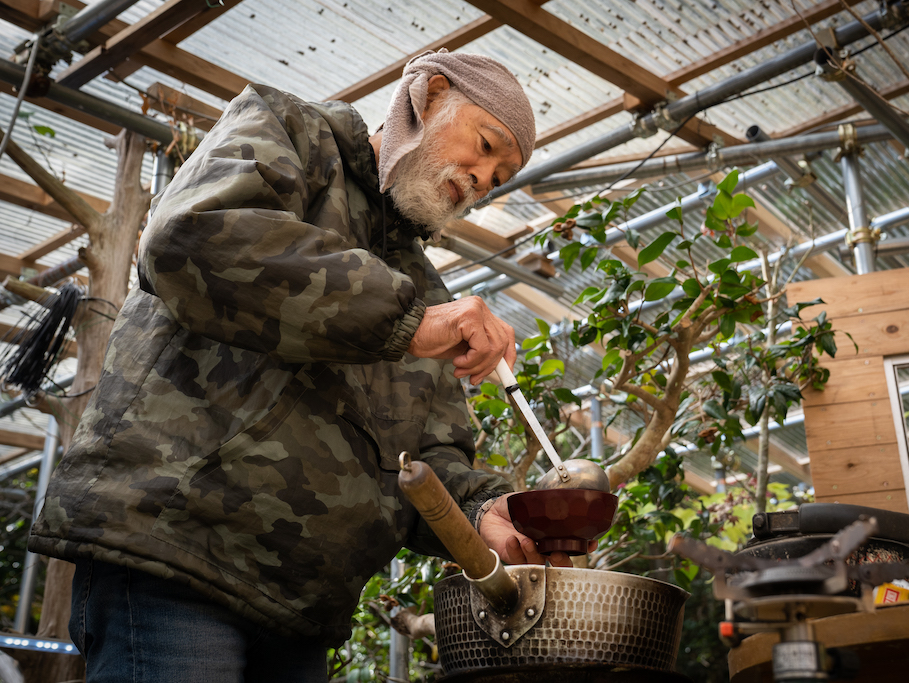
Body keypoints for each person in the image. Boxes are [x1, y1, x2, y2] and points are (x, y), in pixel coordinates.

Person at [29, 50, 558, 681]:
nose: (481, 178)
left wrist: (484, 513)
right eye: (486, 145)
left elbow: (429, 460)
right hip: (177, 551)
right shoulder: (296, 135)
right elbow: (195, 235)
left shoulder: (427, 295)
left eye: (498, 177)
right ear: (428, 96)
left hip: (303, 609)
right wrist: (407, 322)